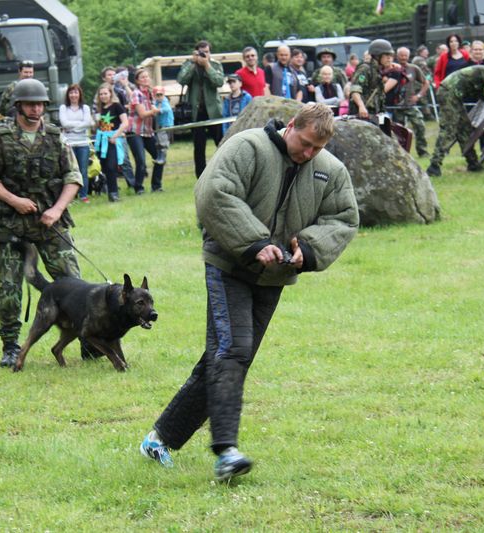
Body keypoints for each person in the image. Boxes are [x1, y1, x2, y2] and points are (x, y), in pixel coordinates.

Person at [139, 103, 359, 481]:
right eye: (304, 143)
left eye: (316, 149)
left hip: (274, 276)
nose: (307, 154)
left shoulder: (329, 171)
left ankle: (160, 438)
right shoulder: (248, 147)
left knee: (225, 358)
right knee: (233, 351)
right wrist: (255, 241)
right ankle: (226, 452)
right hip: (229, 265)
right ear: (291, 126)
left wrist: (307, 248)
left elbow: (344, 218)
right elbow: (213, 193)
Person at [0, 78, 83, 368]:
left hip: (50, 224)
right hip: (12, 227)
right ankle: (11, 344)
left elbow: (73, 177)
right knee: (9, 289)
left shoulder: (54, 136)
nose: (36, 108)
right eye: (30, 103)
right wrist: (15, 201)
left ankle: (88, 337)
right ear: (18, 106)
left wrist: (57, 209)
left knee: (74, 283)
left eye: (40, 103)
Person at [426, 64, 484, 177]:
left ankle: (473, 163)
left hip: (453, 94)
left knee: (464, 128)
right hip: (449, 92)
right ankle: (434, 166)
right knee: (449, 129)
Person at [177, 40, 225, 178]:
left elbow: (219, 81)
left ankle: (223, 170)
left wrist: (207, 65)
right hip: (196, 111)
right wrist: (193, 64)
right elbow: (181, 80)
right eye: (201, 52)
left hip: (213, 111)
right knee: (199, 146)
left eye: (207, 52)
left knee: (220, 142)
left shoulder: (215, 64)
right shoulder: (189, 64)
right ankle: (201, 175)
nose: (205, 55)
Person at [96, 66, 136, 189]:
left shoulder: (120, 91)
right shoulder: (99, 104)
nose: (112, 77)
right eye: (109, 75)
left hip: (117, 135)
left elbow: (130, 104)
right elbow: (97, 118)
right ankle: (110, 188)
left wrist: (118, 133)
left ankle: (133, 184)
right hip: (104, 136)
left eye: (114, 74)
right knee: (106, 163)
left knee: (123, 160)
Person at [127, 68, 164, 193]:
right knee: (141, 161)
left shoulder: (151, 93)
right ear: (137, 80)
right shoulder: (136, 93)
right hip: (135, 131)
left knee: (160, 157)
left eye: (147, 76)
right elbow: (142, 114)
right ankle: (139, 188)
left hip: (148, 131)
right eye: (142, 77)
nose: (146, 79)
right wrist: (154, 111)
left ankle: (156, 186)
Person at [93, 83, 129, 202]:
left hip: (112, 139)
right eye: (101, 94)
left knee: (112, 166)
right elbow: (98, 125)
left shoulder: (117, 106)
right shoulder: (99, 108)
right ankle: (108, 191)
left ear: (110, 94)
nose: (103, 96)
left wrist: (115, 136)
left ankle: (114, 193)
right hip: (102, 140)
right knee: (104, 167)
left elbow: (125, 123)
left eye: (105, 93)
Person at [59, 83, 94, 202]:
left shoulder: (85, 108)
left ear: (80, 94)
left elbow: (88, 122)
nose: (74, 95)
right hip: (69, 143)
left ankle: (83, 195)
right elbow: (64, 124)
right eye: (71, 92)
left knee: (82, 170)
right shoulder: (63, 108)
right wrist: (80, 125)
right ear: (68, 94)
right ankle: (70, 196)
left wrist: (72, 127)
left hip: (83, 143)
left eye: (76, 92)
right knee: (69, 170)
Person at [393, 47, 430, 157]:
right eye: (401, 55)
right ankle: (400, 152)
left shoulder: (414, 68)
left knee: (420, 125)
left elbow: (426, 83)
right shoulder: (393, 68)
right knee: (398, 130)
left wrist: (418, 96)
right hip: (396, 106)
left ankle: (422, 151)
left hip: (410, 104)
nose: (403, 58)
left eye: (405, 55)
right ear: (397, 56)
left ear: (409, 56)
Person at [349, 39, 398, 119]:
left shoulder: (377, 70)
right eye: (386, 55)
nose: (389, 58)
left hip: (375, 114)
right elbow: (355, 90)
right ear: (377, 56)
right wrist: (361, 106)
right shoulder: (365, 69)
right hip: (362, 114)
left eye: (390, 55)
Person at [152, 86, 174, 164]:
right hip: (160, 124)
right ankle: (159, 157)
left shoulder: (164, 101)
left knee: (163, 141)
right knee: (158, 141)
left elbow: (167, 109)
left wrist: (158, 110)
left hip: (166, 125)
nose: (159, 97)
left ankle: (163, 158)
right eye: (157, 95)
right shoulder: (156, 102)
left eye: (161, 95)